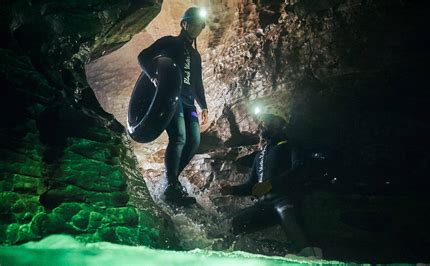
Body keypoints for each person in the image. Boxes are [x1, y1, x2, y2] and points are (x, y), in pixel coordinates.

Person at [219, 104, 323, 258]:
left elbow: (299, 168)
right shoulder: (260, 154)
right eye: (262, 120)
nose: (262, 124)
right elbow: (252, 186)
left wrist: (271, 184)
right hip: (264, 205)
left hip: (286, 200)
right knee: (236, 223)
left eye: (267, 120)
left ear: (279, 123)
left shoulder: (290, 145)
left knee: (287, 215)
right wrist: (232, 190)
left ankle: (310, 255)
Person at [137, 7, 208, 206]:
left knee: (193, 142)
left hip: (188, 102)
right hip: (172, 98)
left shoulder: (196, 56)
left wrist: (204, 106)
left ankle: (171, 180)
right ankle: (171, 184)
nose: (196, 29)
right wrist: (154, 77)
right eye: (193, 23)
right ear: (184, 24)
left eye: (200, 26)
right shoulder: (169, 42)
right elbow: (143, 57)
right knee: (179, 138)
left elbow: (197, 83)